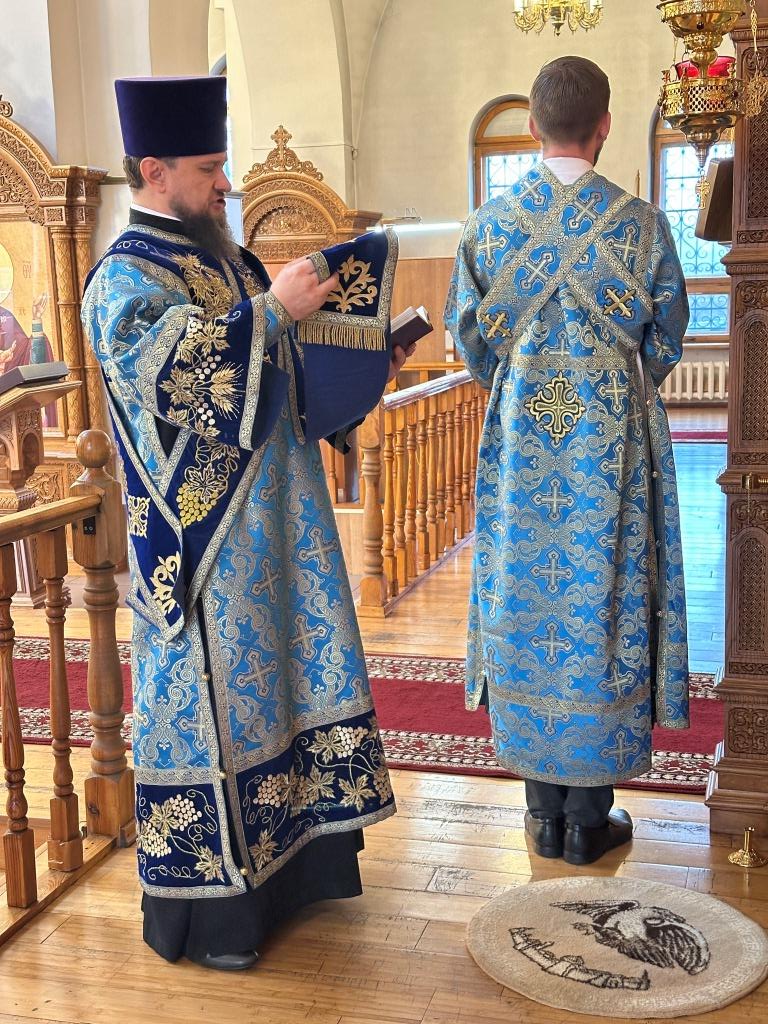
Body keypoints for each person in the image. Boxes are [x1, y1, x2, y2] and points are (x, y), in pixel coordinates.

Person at [82, 76, 412, 970]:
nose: (226, 183)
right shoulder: (123, 279)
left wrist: (361, 359)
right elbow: (177, 380)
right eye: (209, 168)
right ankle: (219, 918)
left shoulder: (231, 262)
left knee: (291, 689)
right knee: (223, 712)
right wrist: (275, 313)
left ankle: (300, 873)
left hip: (283, 528)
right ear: (155, 170)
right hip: (206, 546)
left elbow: (281, 375)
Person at [445, 56, 689, 866]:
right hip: (610, 456)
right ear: (605, 125)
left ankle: (542, 813)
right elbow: (666, 341)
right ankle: (588, 819)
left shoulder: (487, 228)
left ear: (531, 125)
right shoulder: (642, 227)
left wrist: (526, 388)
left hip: (522, 450)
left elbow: (473, 344)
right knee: (603, 598)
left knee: (524, 593)